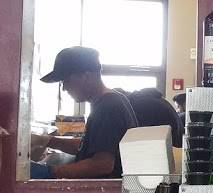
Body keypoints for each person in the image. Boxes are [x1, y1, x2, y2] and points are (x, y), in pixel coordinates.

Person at [31, 47, 138, 179]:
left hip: (105, 191)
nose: (64, 88)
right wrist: (46, 140)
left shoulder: (109, 106)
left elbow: (102, 164)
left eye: (66, 81)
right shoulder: (107, 102)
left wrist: (50, 172)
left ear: (86, 77)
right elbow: (87, 147)